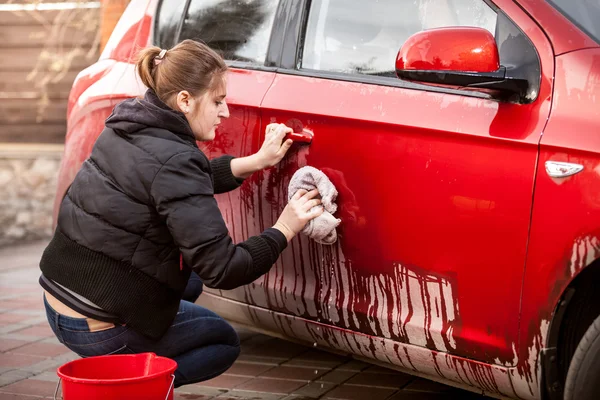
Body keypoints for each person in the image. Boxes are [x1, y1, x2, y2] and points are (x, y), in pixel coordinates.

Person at [38, 39, 323, 388]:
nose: (226, 112)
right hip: (97, 324)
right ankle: (126, 390)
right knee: (221, 341)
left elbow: (171, 183)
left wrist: (255, 162)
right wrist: (285, 227)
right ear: (185, 100)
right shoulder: (175, 158)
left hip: (59, 298)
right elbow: (224, 268)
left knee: (189, 278)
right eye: (217, 101)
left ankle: (123, 364)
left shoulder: (128, 125)